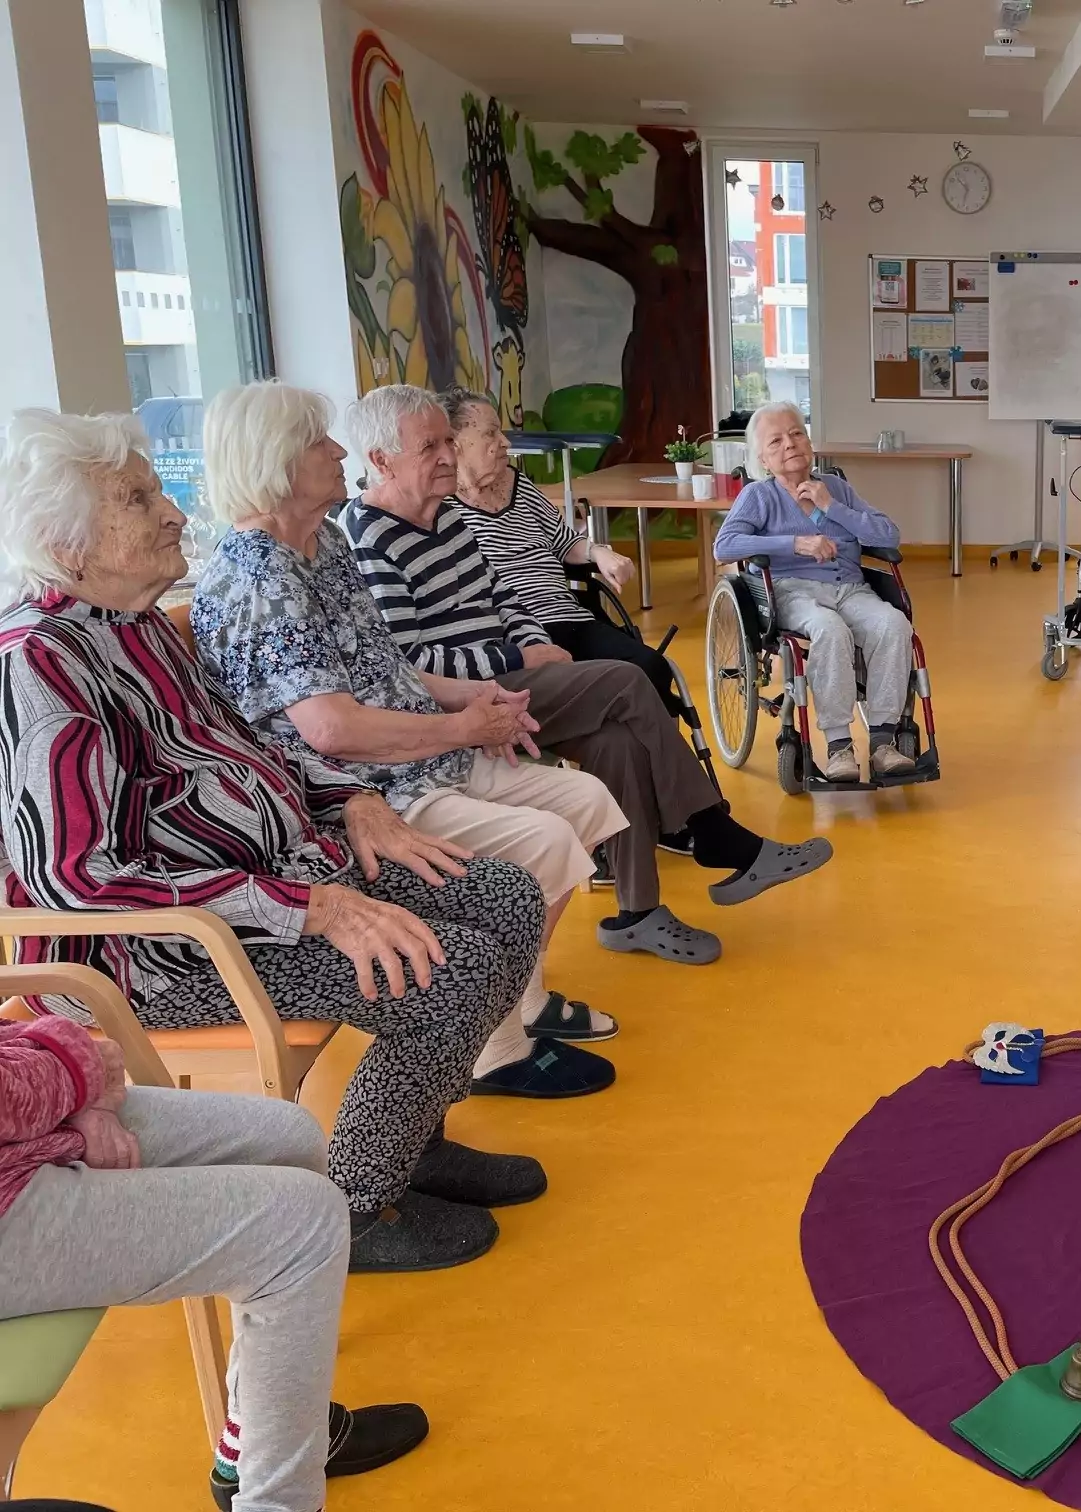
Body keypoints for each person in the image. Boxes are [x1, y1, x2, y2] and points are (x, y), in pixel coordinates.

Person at [0, 409, 549, 1274]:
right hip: (160, 954)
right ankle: (356, 1206)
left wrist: (350, 798)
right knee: (450, 972)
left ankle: (415, 1143)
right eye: (138, 500)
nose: (174, 512)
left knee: (506, 898)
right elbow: (79, 880)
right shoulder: (39, 666)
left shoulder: (138, 625)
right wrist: (309, 907)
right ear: (68, 547)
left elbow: (252, 748)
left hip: (277, 879)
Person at [190, 381, 622, 1092]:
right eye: (319, 442)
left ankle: (522, 999)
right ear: (276, 463)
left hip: (420, 756)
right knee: (546, 841)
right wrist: (459, 726)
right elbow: (331, 730)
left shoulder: (325, 542)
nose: (339, 450)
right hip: (360, 792)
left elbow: (389, 667)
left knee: (586, 801)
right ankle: (496, 1049)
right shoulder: (261, 578)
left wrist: (473, 700)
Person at [338, 386, 831, 965]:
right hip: (461, 701)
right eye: (431, 446)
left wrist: (533, 642)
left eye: (449, 441)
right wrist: (515, 661)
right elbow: (407, 662)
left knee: (617, 741)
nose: (448, 455)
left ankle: (637, 914)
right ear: (382, 460)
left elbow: (503, 597)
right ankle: (715, 834)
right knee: (628, 679)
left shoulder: (445, 516)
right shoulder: (367, 538)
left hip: (516, 670)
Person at [0, 1023, 432, 1511]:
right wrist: (72, 1066)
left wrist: (63, 1066)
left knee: (291, 1140)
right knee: (304, 1225)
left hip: (25, 1106)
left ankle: (251, 1443)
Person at [437, 387, 684, 720]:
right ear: (454, 443)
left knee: (650, 666)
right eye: (491, 433)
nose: (506, 442)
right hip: (515, 636)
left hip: (571, 618)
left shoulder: (519, 485)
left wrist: (599, 552)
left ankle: (652, 746)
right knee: (605, 691)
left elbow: (565, 541)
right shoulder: (440, 511)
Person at [713, 401, 916, 782]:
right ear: (763, 459)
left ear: (809, 442)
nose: (789, 444)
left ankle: (882, 741)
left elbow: (888, 536)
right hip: (792, 592)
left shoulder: (836, 488)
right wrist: (796, 544)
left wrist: (831, 506)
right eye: (776, 441)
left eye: (796, 434)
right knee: (829, 629)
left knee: (894, 624)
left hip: (850, 589)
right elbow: (724, 547)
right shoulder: (759, 496)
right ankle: (839, 746)